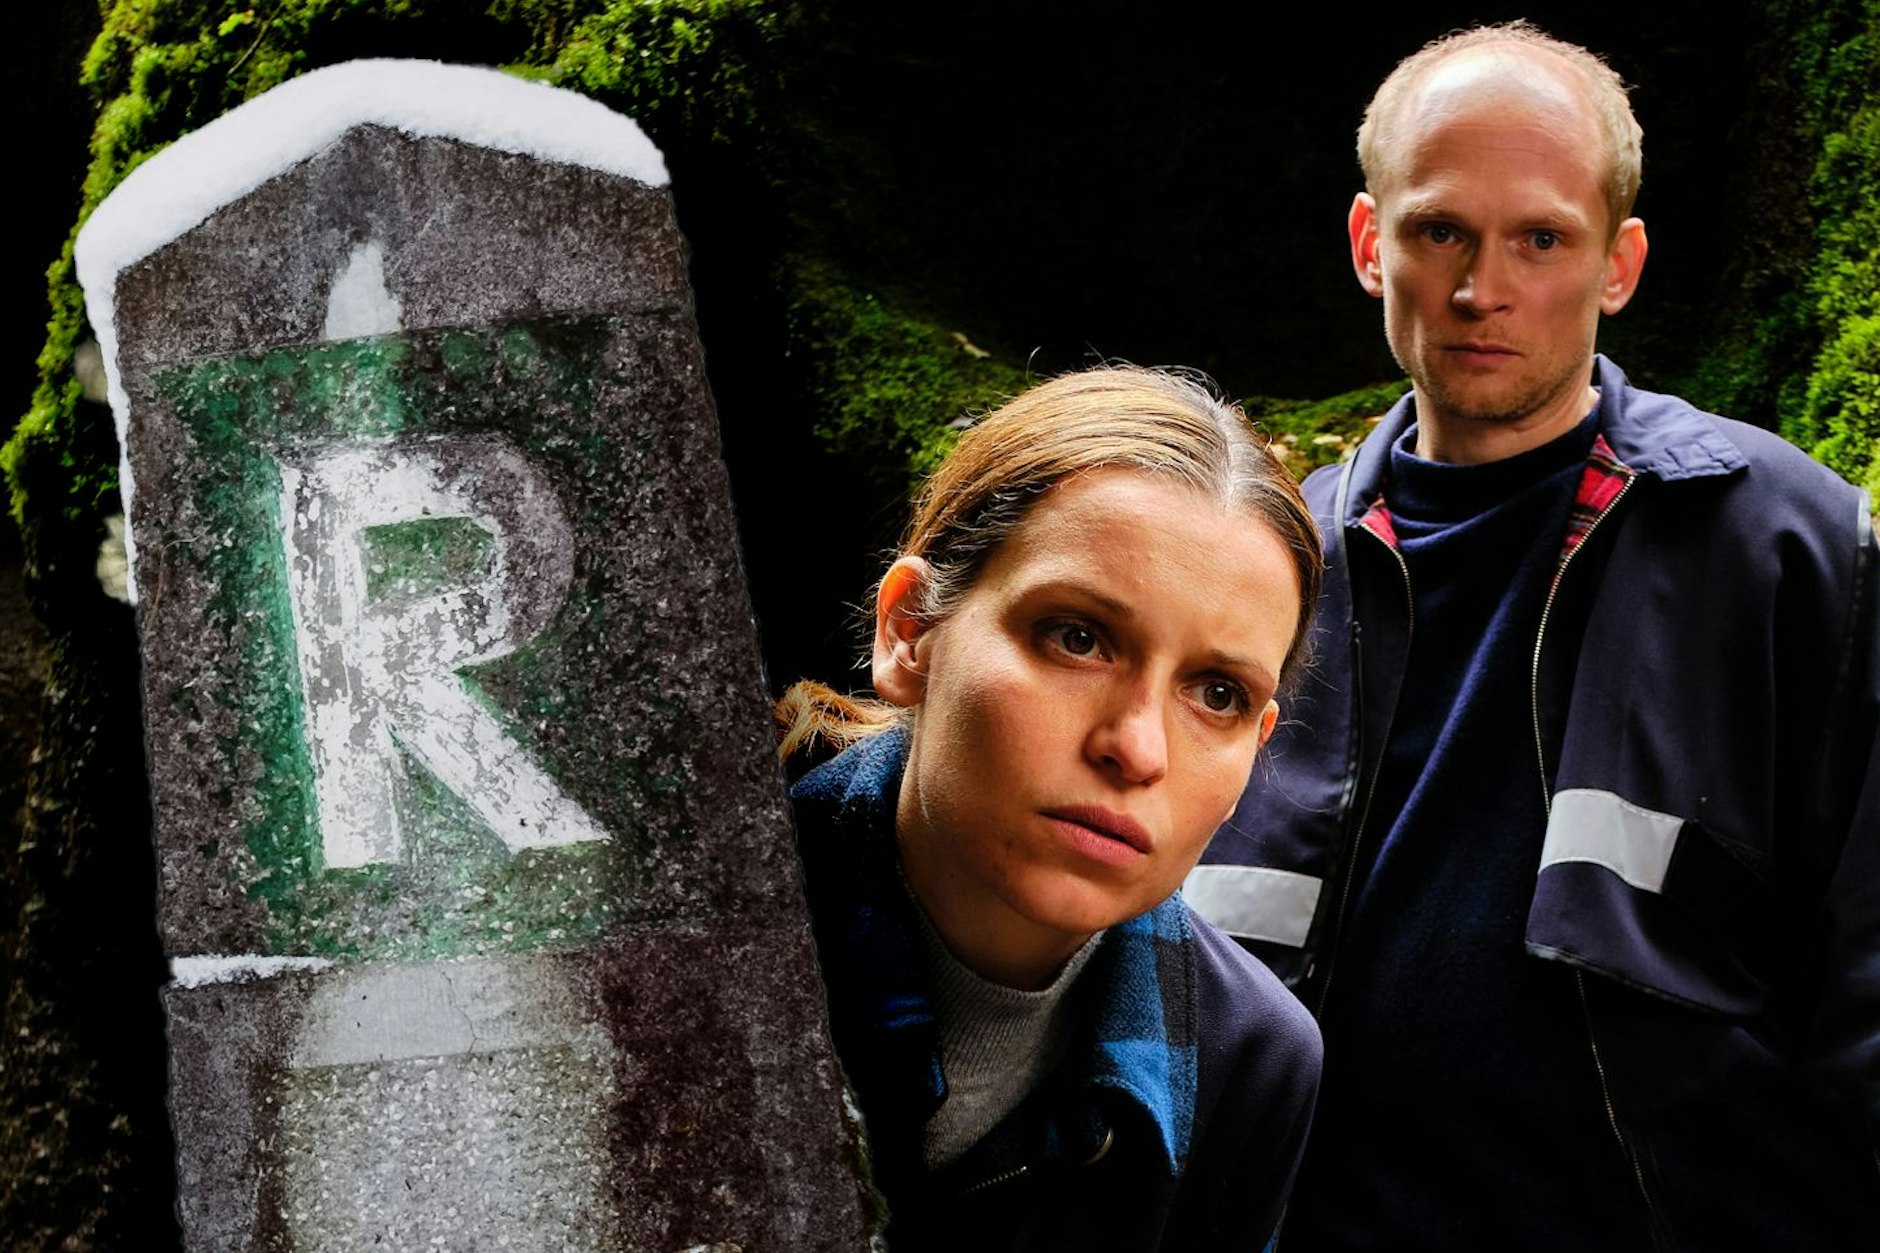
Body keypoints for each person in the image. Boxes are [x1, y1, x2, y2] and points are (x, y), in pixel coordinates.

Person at [1184, 21, 1880, 1250]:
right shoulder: (1270, 567)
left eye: (1540, 239)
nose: (1479, 290)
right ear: (1368, 244)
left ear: (1619, 264)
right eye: (1438, 231)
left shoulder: (1783, 540)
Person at [778, 365, 1324, 1251]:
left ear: (1257, 745)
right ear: (909, 631)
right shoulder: (689, 929)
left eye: (1216, 694)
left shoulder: (1252, 1057)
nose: (1137, 748)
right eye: (1078, 638)